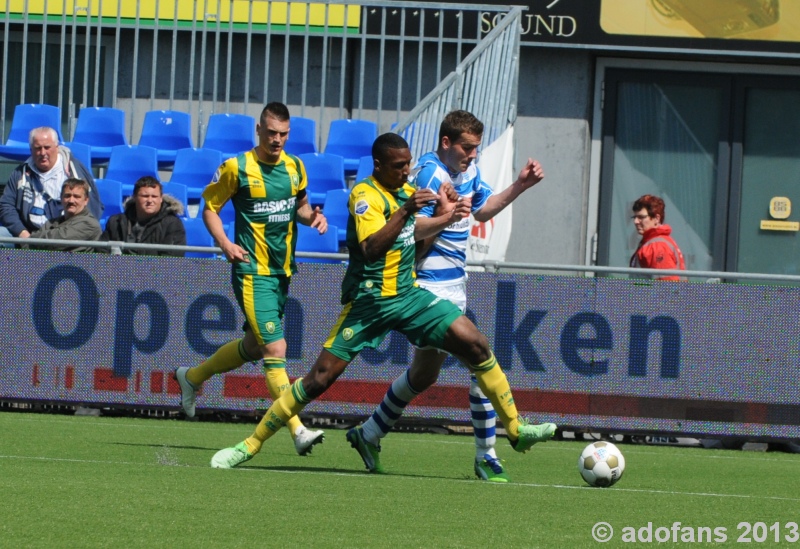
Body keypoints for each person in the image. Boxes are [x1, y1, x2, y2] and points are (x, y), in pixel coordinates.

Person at [209, 132, 557, 470]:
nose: (406, 172)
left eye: (407, 165)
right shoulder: (365, 195)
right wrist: (407, 211)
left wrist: (446, 218)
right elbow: (371, 248)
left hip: (407, 296)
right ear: (378, 164)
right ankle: (249, 446)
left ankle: (515, 430)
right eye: (398, 166)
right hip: (369, 303)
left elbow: (416, 243)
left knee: (476, 344)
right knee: (318, 380)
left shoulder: (408, 192)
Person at [349, 110, 549, 483]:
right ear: (446, 143)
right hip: (425, 285)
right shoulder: (428, 173)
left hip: (454, 285)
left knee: (423, 376)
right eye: (467, 148)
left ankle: (369, 433)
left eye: (476, 148)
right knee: (479, 356)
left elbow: (482, 208)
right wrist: (444, 215)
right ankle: (491, 452)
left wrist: (520, 185)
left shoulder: (467, 171)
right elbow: (407, 227)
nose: (473, 155)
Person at [174, 102, 327, 456]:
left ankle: (193, 377)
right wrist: (225, 243)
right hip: (251, 271)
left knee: (255, 347)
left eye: (283, 134)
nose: (277, 140)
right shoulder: (236, 167)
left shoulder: (295, 166)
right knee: (275, 349)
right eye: (271, 133)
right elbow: (210, 208)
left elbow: (300, 206)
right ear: (258, 131)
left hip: (282, 271)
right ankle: (296, 428)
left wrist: (313, 218)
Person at [0, 127, 103, 243]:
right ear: (31, 150)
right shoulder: (20, 173)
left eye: (47, 147)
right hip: (26, 234)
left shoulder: (75, 170)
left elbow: (92, 207)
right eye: (38, 148)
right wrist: (22, 233)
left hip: (63, 235)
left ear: (57, 147)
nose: (43, 153)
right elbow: (6, 206)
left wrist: (34, 242)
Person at [101, 176, 187, 256]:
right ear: (134, 197)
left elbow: (172, 260)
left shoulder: (173, 225)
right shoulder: (116, 222)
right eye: (145, 196)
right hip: (117, 271)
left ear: (161, 199)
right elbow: (101, 253)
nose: (150, 200)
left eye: (154, 196)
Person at [24, 178, 101, 252]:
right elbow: (29, 244)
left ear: (86, 200)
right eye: (67, 196)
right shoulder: (52, 222)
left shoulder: (89, 224)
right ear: (61, 198)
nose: (71, 201)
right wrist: (31, 241)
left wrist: (32, 239)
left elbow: (56, 242)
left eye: (76, 197)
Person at [630, 194, 686, 281]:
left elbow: (666, 287)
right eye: (635, 217)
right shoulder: (655, 242)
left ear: (656, 218)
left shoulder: (658, 245)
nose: (636, 221)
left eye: (641, 217)